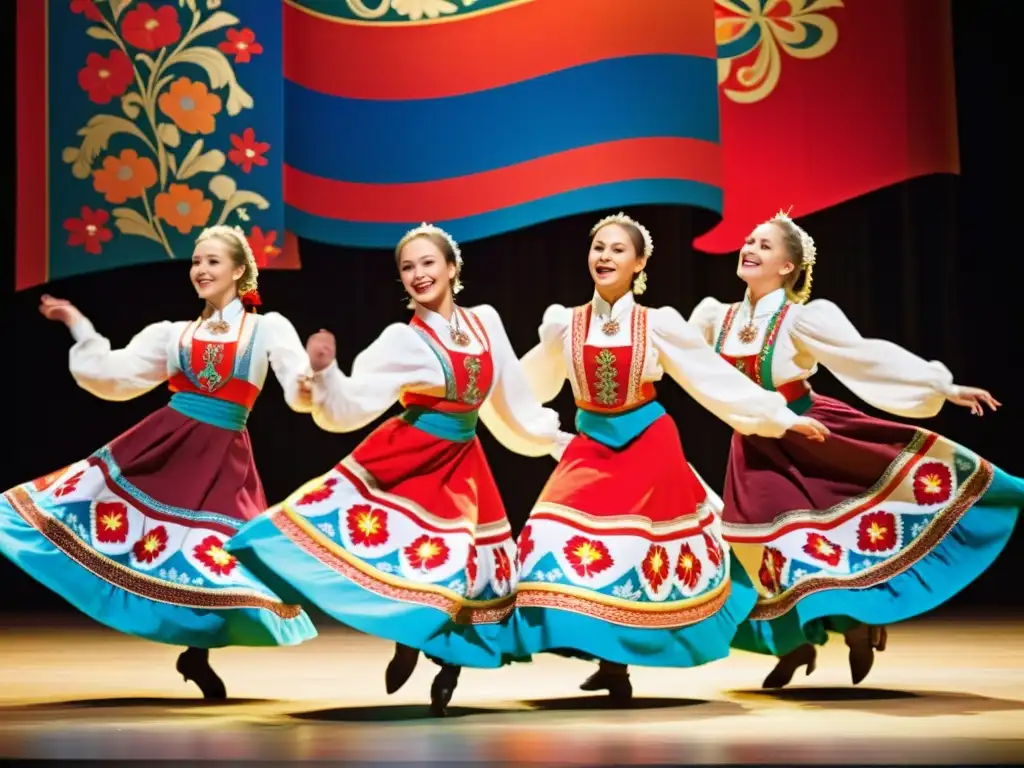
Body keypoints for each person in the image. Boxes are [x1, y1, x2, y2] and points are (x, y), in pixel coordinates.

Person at [226, 223, 570, 715]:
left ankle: (446, 665)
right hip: (409, 458)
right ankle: (407, 639)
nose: (418, 274)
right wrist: (326, 374)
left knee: (463, 570)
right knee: (410, 556)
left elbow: (510, 396)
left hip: (463, 462)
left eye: (428, 263)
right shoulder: (399, 340)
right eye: (407, 268)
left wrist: (552, 439)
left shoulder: (486, 322)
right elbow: (352, 405)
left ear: (452, 268)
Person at [688, 210, 1021, 688]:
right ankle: (795, 642)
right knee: (758, 546)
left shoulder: (800, 319)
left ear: (788, 266)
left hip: (813, 434)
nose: (750, 248)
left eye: (764, 244)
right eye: (749, 240)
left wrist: (940, 385)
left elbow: (867, 354)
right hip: (755, 444)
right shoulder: (712, 317)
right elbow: (671, 355)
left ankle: (857, 623)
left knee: (825, 541)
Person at [511, 212, 830, 702]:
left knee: (649, 554)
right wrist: (520, 422)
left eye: (618, 250)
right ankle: (610, 659)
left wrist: (778, 417)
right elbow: (527, 384)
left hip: (647, 442)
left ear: (639, 262)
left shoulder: (657, 323)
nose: (605, 257)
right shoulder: (563, 322)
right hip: (591, 443)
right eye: (599, 248)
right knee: (549, 540)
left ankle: (783, 639)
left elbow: (712, 378)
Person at [0, 225, 318, 698]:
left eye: (212, 261)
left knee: (218, 556)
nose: (201, 270)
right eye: (196, 262)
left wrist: (310, 384)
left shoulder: (267, 327)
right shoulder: (173, 334)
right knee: (139, 536)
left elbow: (296, 381)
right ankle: (190, 647)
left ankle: (196, 652)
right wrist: (77, 324)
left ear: (238, 270)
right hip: (167, 446)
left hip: (224, 455)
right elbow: (113, 374)